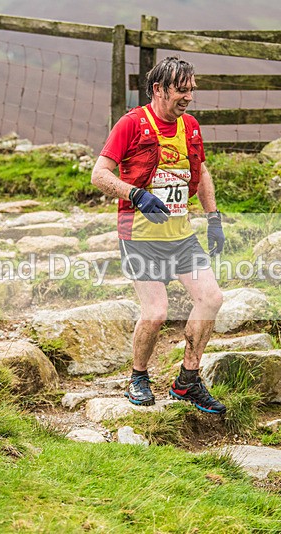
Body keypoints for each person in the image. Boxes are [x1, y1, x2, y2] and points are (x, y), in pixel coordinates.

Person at [91, 56, 227, 414]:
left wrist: (213, 217)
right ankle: (138, 377)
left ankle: (187, 381)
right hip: (139, 235)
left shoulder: (191, 127)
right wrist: (136, 194)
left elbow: (201, 170)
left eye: (191, 90)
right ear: (158, 89)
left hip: (181, 235)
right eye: (181, 90)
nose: (188, 98)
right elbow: (99, 174)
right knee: (156, 313)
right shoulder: (131, 124)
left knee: (211, 299)